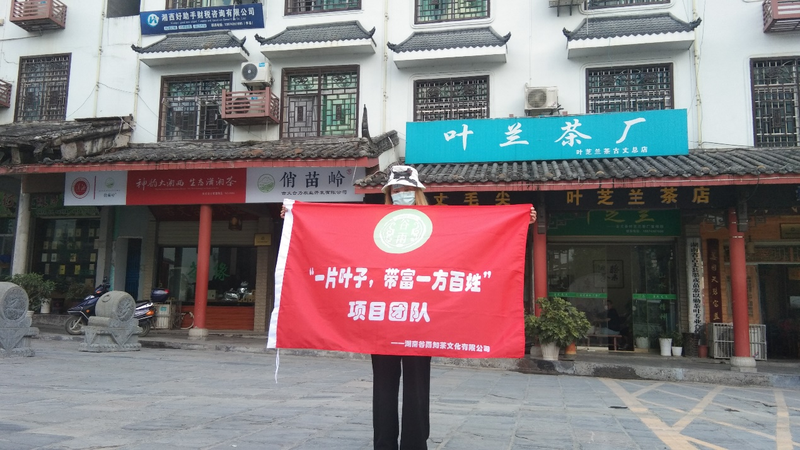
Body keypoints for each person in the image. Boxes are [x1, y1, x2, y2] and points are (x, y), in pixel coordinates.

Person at [282, 164, 537, 450]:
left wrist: (519, 221)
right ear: (389, 194)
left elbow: (479, 232)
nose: (401, 193)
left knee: (417, 386)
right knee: (383, 385)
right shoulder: (374, 222)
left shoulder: (438, 222)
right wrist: (294, 217)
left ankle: (415, 443)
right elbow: (336, 229)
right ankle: (384, 443)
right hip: (383, 318)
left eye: (406, 189)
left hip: (420, 318)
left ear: (417, 192)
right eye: (396, 190)